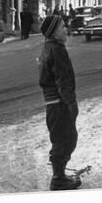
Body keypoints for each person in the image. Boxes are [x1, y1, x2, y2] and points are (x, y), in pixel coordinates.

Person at [39, 15, 81, 191]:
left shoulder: (48, 47)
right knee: (66, 139)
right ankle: (58, 178)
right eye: (63, 26)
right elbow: (63, 80)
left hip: (52, 104)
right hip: (59, 103)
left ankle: (60, 175)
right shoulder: (57, 50)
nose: (66, 29)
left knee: (61, 139)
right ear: (54, 32)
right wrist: (71, 104)